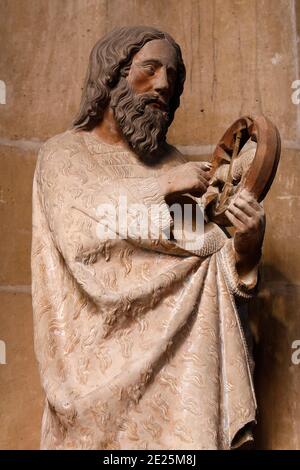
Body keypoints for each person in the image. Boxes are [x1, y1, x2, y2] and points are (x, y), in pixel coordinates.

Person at [31, 26, 265, 450]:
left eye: (172, 77)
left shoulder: (172, 162)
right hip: (93, 366)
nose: (163, 84)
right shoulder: (65, 153)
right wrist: (161, 187)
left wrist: (245, 252)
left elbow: (204, 256)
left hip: (181, 378)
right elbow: (82, 233)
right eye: (150, 69)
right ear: (112, 76)